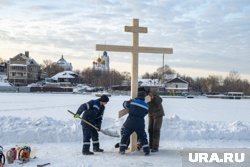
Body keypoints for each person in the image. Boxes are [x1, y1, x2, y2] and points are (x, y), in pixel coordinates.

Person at [119, 91, 150, 156]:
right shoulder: (146, 105)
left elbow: (124, 104)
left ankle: (122, 150)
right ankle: (146, 151)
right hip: (140, 123)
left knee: (125, 136)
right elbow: (145, 113)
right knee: (143, 137)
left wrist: (130, 101)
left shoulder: (133, 102)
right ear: (144, 97)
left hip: (130, 122)